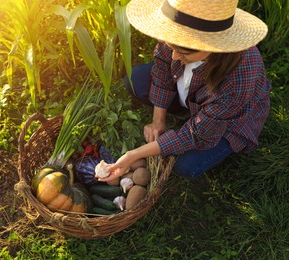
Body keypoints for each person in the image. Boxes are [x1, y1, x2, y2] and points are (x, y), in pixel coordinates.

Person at [99, 0, 271, 180]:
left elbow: (195, 135)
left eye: (184, 52)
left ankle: (195, 121)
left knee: (185, 167)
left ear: (213, 46)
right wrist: (158, 120)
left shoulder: (239, 77)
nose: (173, 55)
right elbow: (162, 70)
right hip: (193, 94)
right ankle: (186, 113)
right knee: (135, 81)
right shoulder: (176, 27)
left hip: (230, 121)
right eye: (171, 45)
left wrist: (134, 155)